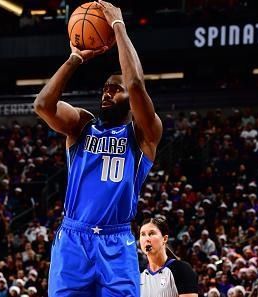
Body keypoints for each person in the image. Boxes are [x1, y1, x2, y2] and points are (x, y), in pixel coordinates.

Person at [33, 0, 162, 295]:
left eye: (115, 89)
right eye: (104, 88)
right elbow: (42, 105)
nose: (107, 92)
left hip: (117, 242)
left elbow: (136, 86)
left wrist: (118, 26)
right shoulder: (82, 124)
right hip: (73, 238)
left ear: (128, 98)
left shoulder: (143, 133)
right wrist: (74, 58)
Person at [139, 218, 198, 297]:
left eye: (151, 233)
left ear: (165, 238)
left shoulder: (182, 269)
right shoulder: (138, 273)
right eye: (143, 234)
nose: (147, 239)